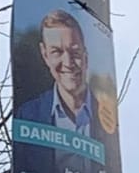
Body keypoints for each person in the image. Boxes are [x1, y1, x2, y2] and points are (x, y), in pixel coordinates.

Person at [15, 9, 107, 151]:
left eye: (75, 52)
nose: (68, 62)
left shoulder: (106, 118)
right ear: (45, 55)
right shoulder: (28, 115)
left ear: (85, 56)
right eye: (56, 52)